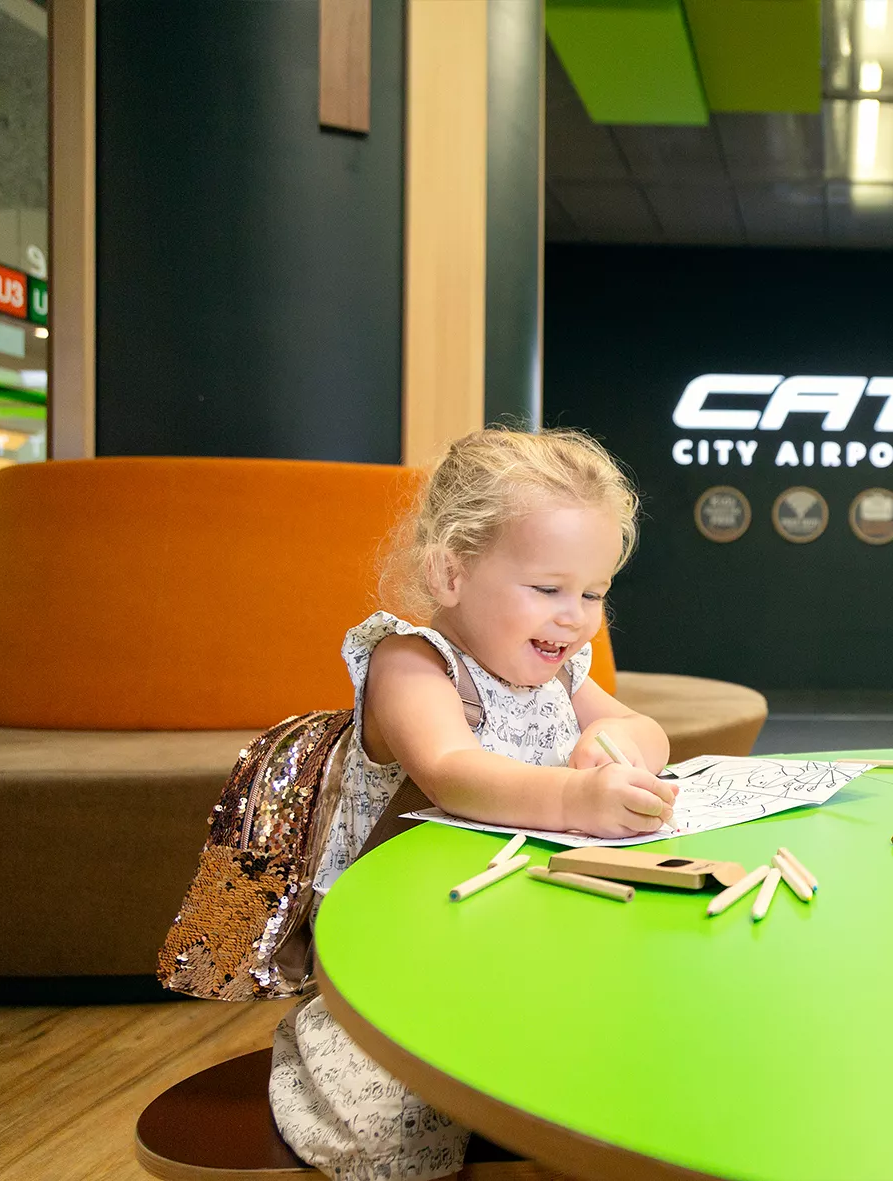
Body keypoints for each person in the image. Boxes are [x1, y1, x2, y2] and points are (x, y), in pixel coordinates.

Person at [269, 427, 674, 1180]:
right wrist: (577, 794)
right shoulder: (414, 663)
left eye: (593, 593)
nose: (575, 617)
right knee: (396, 1128)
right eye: (548, 589)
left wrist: (621, 746)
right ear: (451, 572)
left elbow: (641, 726)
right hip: (409, 948)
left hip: (530, 931)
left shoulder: (557, 672)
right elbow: (454, 769)